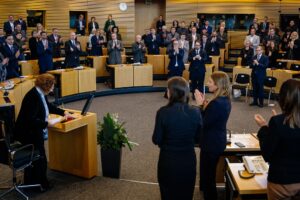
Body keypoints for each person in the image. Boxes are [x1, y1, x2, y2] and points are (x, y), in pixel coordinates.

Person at [14, 73, 73, 190]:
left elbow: (48, 106)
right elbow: (32, 120)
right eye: (51, 86)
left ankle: (33, 181)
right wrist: (48, 123)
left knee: (39, 157)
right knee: (41, 158)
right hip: (28, 132)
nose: (52, 88)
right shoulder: (33, 96)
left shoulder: (40, 93)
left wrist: (63, 112)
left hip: (33, 130)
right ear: (46, 85)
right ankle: (41, 184)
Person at [153, 76, 202, 200]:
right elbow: (199, 138)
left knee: (167, 194)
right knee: (186, 194)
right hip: (188, 161)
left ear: (171, 92)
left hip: (168, 162)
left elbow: (156, 139)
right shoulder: (196, 112)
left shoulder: (162, 112)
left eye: (167, 89)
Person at [254, 79, 300, 200]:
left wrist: (264, 127)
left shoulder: (277, 122)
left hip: (281, 182)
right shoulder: (278, 122)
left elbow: (267, 154)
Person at [194, 71, 231, 200]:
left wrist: (199, 105)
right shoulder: (222, 99)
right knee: (206, 172)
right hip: (215, 141)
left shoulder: (217, 103)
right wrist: (206, 105)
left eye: (210, 82)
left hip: (211, 143)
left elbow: (202, 122)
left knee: (208, 176)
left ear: (218, 85)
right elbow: (211, 117)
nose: (207, 84)